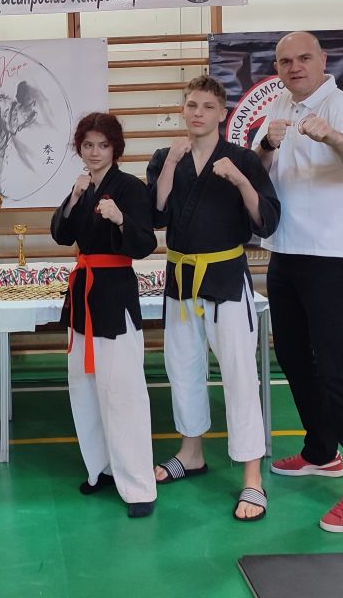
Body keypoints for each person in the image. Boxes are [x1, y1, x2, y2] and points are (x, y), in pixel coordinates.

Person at [255, 31, 343, 533]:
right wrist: (267, 145)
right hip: (284, 251)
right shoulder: (279, 107)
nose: (294, 66)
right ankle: (321, 451)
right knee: (292, 356)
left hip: (330, 257)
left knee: (336, 369)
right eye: (284, 60)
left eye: (303, 58)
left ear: (322, 60)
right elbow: (261, 172)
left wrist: (330, 135)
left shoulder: (342, 106)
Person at [146, 76, 280, 521]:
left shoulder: (242, 159)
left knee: (239, 374)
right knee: (182, 369)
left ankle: (252, 477)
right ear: (182, 110)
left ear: (222, 113)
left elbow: (266, 219)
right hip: (180, 277)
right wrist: (170, 164)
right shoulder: (166, 157)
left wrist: (241, 181)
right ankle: (191, 453)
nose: (198, 113)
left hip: (225, 276)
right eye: (191, 105)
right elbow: (155, 215)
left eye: (207, 106)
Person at [50, 112, 158, 518]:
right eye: (88, 145)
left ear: (115, 149)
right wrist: (74, 198)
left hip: (115, 295)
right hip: (83, 296)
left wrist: (120, 218)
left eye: (103, 145)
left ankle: (140, 486)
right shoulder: (82, 187)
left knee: (123, 392)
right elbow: (61, 234)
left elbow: (144, 243)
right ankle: (101, 468)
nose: (94, 152)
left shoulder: (130, 188)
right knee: (84, 386)